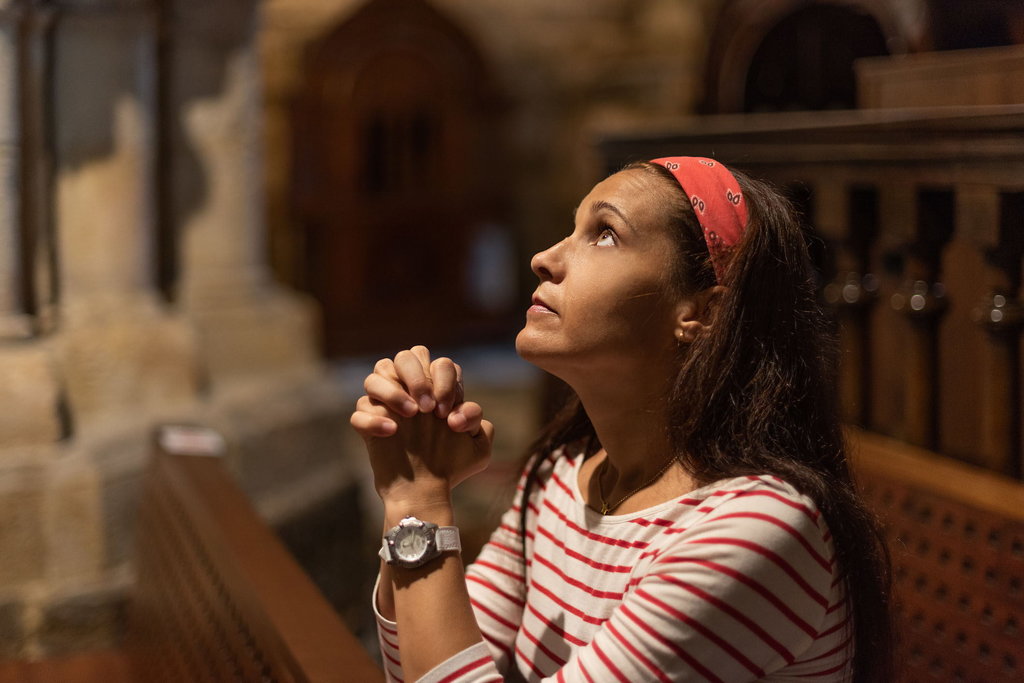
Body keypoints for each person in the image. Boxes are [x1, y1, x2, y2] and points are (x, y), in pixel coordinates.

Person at [350, 157, 892, 682]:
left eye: (605, 234)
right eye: (572, 229)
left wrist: (416, 502)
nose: (544, 257)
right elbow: (430, 666)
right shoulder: (562, 475)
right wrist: (416, 498)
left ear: (702, 313)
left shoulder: (754, 530)